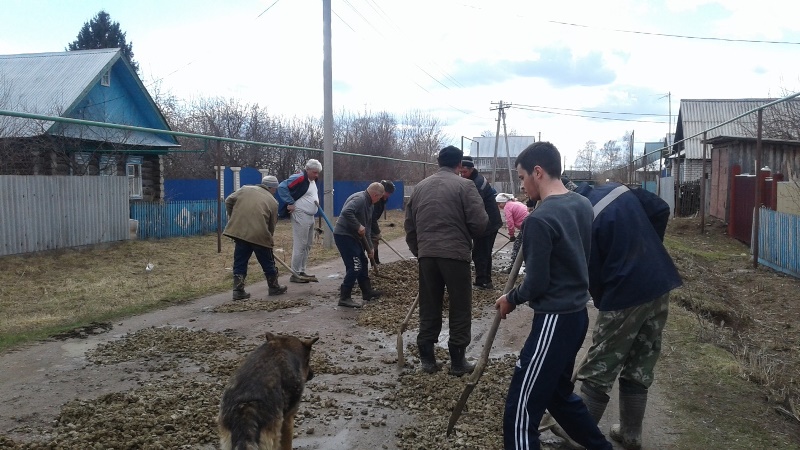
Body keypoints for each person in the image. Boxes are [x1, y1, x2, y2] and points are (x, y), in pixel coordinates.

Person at [494, 142, 612, 450]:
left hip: (554, 322)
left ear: (538, 172)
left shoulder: (539, 219)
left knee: (520, 410)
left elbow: (536, 283)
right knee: (557, 394)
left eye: (522, 178)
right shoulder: (581, 204)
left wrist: (510, 298)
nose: (522, 186)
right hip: (576, 317)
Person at [568, 181, 682, 450]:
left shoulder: (581, 216)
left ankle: (578, 440)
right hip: (658, 280)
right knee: (641, 359)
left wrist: (602, 298)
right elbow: (661, 208)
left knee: (600, 365)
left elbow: (590, 271)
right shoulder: (619, 190)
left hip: (624, 291)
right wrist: (647, 250)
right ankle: (631, 435)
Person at [404, 145, 488, 377]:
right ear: (460, 165)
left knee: (429, 304)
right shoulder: (465, 185)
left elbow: (410, 227)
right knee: (460, 306)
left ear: (437, 162)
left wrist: (421, 251)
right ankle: (458, 362)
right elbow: (480, 223)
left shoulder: (420, 188)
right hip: (455, 255)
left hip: (427, 256)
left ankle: (428, 360)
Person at [222, 175, 288, 300]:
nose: (276, 191)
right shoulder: (273, 201)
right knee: (268, 262)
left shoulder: (244, 189)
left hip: (240, 233)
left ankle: (238, 290)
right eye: (275, 188)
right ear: (271, 188)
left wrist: (233, 218)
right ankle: (274, 287)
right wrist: (269, 239)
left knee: (240, 261)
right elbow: (272, 224)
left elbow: (228, 201)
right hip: (260, 235)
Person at [334, 182, 386, 308]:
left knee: (363, 262)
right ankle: (344, 297)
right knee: (355, 265)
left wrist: (370, 248)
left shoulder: (370, 205)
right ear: (374, 195)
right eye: (379, 198)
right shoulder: (360, 199)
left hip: (354, 237)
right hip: (344, 236)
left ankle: (367, 292)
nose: (379, 200)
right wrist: (357, 225)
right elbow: (347, 212)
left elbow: (366, 229)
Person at [460, 155, 503, 289]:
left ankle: (483, 282)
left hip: (488, 223)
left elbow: (473, 206)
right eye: (461, 172)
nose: (462, 175)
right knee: (483, 252)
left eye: (464, 172)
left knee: (481, 253)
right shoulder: (475, 180)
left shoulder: (477, 183)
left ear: (471, 169)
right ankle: (484, 280)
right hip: (488, 221)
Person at [277, 159, 322, 284]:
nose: (316, 175)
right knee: (300, 244)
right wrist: (290, 202)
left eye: (318, 173)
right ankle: (295, 273)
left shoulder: (312, 180)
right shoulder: (300, 177)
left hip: (310, 215)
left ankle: (302, 271)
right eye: (314, 172)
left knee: (308, 244)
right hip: (300, 214)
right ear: (307, 170)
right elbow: (282, 187)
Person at [495, 193, 528, 272]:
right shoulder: (515, 203)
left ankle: (513, 268)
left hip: (526, 225)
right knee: (527, 246)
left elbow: (510, 223)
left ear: (503, 202)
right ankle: (528, 266)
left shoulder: (508, 207)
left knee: (517, 246)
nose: (499, 206)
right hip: (528, 224)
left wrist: (512, 235)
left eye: (499, 203)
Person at [370, 180, 396, 265]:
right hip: (365, 222)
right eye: (388, 193)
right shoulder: (376, 200)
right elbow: (372, 217)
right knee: (372, 241)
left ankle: (376, 262)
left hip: (370, 221)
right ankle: (374, 264)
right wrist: (377, 232)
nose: (389, 195)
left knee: (375, 241)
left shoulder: (383, 199)